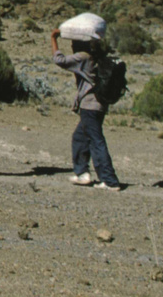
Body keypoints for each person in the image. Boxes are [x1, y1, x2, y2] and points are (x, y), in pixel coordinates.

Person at [51, 30, 123, 190]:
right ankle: (82, 173)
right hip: (100, 104)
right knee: (80, 137)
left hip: (89, 105)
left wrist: (53, 38)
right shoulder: (97, 56)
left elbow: (59, 60)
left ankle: (109, 180)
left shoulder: (83, 57)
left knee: (96, 141)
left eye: (73, 43)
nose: (71, 46)